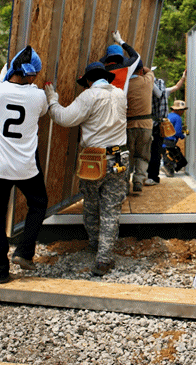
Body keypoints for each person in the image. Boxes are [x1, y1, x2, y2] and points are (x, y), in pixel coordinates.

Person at [45, 61, 128, 277]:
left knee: (91, 204)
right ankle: (104, 258)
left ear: (89, 81)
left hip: (94, 160)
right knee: (111, 208)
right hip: (119, 158)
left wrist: (52, 100)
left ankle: (94, 245)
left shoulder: (89, 96)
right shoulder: (120, 94)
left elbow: (64, 118)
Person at [0, 45, 49, 284]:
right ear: (31, 74)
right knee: (39, 203)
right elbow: (42, 112)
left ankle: (0, 271)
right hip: (25, 167)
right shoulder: (39, 96)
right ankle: (24, 251)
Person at [146, 70, 186, 185]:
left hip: (151, 125)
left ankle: (148, 174)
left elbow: (176, 87)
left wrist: (183, 78)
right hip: (161, 130)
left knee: (150, 151)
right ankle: (158, 173)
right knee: (159, 152)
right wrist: (183, 78)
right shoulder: (165, 92)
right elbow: (176, 87)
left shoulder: (150, 91)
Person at [125, 62, 155, 192]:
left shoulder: (125, 85)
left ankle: (125, 184)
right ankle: (138, 180)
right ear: (141, 70)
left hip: (129, 126)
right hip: (146, 125)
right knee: (143, 155)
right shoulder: (147, 81)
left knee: (127, 156)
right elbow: (149, 71)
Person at [162, 99, 188, 177]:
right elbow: (177, 132)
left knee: (168, 157)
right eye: (182, 110)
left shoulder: (168, 115)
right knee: (182, 162)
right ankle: (168, 168)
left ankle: (168, 168)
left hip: (163, 142)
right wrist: (184, 135)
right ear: (177, 110)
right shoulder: (177, 118)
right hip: (170, 142)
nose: (183, 112)